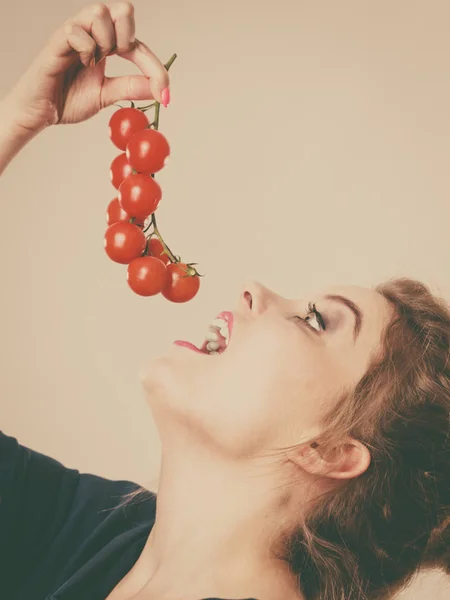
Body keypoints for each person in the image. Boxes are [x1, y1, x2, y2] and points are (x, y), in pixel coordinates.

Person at [0, 3, 448, 600]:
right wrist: (18, 120)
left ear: (334, 451)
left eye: (316, 321)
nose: (253, 290)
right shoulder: (101, 532)